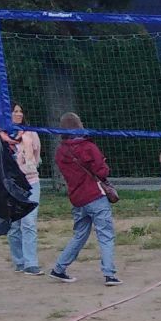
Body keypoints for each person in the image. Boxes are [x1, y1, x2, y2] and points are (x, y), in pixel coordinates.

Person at [49, 113, 118, 285]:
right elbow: (102, 171)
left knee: (79, 235)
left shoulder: (60, 151)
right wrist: (103, 164)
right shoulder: (88, 146)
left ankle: (59, 269)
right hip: (94, 196)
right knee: (105, 235)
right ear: (79, 126)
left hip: (77, 198)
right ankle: (109, 274)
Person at [2, 102, 42, 273]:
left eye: (20, 111)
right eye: (14, 111)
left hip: (31, 181)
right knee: (14, 225)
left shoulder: (30, 133)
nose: (18, 114)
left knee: (29, 222)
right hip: (10, 185)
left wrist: (28, 167)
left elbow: (37, 154)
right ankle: (19, 261)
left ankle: (31, 263)